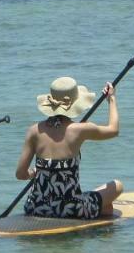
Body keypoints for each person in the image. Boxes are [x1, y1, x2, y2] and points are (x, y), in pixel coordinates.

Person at [15, 77, 122, 219]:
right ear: (75, 104)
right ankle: (98, 212)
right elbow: (114, 130)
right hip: (71, 209)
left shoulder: (33, 131)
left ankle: (101, 209)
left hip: (36, 207)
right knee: (118, 185)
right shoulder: (81, 129)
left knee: (107, 208)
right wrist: (112, 99)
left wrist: (35, 173)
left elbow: (20, 174)